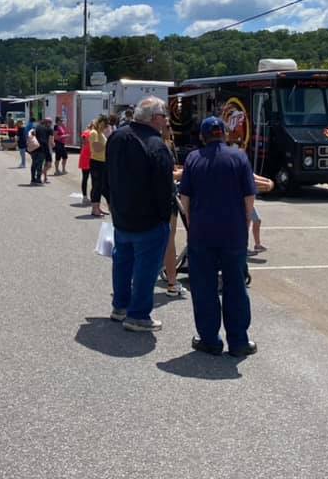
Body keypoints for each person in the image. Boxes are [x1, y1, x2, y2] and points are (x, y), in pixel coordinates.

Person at [179, 116, 258, 357]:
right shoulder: (239, 156)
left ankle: (210, 339)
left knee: (204, 286)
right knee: (235, 284)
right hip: (233, 231)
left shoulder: (193, 158)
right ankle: (239, 341)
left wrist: (192, 224)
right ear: (224, 133)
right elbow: (249, 197)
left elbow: (185, 199)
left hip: (202, 231)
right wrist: (245, 221)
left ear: (203, 136)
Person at [106, 97, 175, 332]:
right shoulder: (156, 145)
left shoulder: (117, 136)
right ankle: (138, 314)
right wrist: (165, 217)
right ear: (155, 118)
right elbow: (164, 188)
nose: (166, 121)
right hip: (148, 219)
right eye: (164, 116)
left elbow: (108, 174)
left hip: (121, 214)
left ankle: (120, 306)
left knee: (122, 262)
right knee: (147, 268)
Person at [161, 124, 186, 298]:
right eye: (168, 126)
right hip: (166, 196)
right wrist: (185, 173)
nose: (171, 129)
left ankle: (168, 276)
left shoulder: (165, 146)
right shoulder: (161, 147)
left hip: (155, 197)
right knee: (169, 239)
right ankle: (172, 281)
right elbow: (166, 175)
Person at [88, 116, 110, 217]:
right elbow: (96, 147)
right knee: (96, 186)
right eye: (104, 124)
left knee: (100, 186)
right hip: (96, 162)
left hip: (102, 162)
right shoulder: (94, 133)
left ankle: (97, 207)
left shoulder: (100, 133)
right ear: (99, 123)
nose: (105, 127)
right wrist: (109, 146)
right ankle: (94, 209)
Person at [30, 118, 54, 185]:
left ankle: (32, 179)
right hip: (42, 148)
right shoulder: (48, 129)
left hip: (34, 148)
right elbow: (49, 141)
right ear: (47, 123)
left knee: (34, 164)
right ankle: (38, 180)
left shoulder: (36, 128)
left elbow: (31, 135)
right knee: (39, 164)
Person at [78, 122, 92, 205]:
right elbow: (84, 140)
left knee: (85, 178)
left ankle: (85, 197)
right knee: (92, 179)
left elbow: (83, 141)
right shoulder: (90, 133)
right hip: (90, 157)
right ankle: (88, 197)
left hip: (85, 156)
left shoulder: (86, 132)